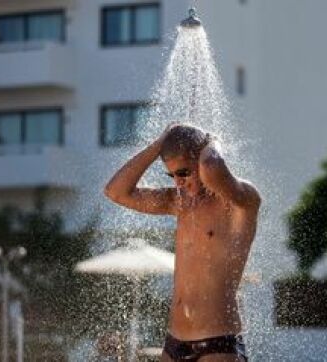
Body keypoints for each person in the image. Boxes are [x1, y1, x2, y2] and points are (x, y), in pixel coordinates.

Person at [104, 124, 261, 361]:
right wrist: (161, 143)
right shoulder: (180, 204)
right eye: (172, 175)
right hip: (174, 341)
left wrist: (210, 140)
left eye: (184, 172)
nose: (178, 182)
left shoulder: (241, 201)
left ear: (200, 159)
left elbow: (212, 166)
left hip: (218, 342)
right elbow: (116, 191)